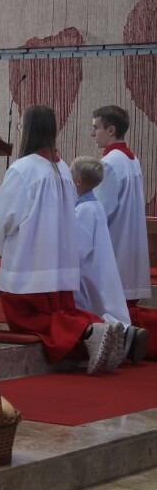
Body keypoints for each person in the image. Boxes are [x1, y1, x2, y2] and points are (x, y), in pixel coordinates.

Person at [0, 105, 125, 375]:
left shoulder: (24, 169)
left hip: (29, 266)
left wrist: (1, 242)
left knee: (27, 320)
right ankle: (100, 326)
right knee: (57, 315)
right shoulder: (63, 169)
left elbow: (4, 218)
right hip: (60, 268)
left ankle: (89, 330)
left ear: (29, 130)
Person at [91, 104, 157, 358]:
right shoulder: (131, 159)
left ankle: (123, 345)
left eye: (96, 128)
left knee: (110, 308)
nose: (93, 133)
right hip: (129, 239)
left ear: (111, 129)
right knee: (124, 306)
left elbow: (101, 209)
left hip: (115, 241)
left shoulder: (109, 163)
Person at [70, 156, 147, 363]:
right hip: (99, 268)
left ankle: (124, 338)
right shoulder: (94, 206)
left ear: (78, 180)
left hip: (88, 272)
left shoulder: (83, 210)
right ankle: (128, 335)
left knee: (92, 311)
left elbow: (78, 250)